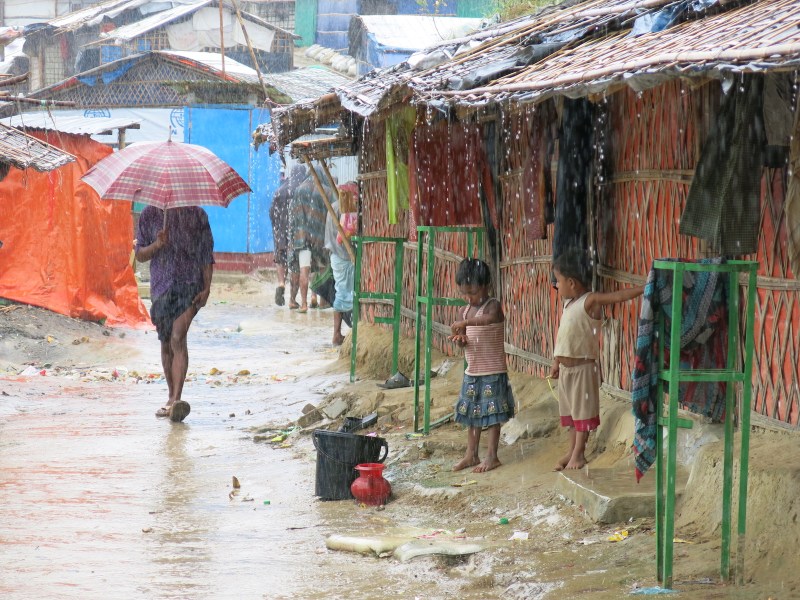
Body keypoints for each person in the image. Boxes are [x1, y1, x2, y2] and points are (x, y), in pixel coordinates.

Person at [550, 249, 643, 470]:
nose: (557, 285)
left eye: (559, 281)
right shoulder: (567, 304)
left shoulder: (589, 301)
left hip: (583, 368)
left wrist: (644, 288)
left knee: (581, 412)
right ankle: (572, 451)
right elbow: (562, 336)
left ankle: (580, 454)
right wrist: (556, 362)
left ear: (571, 282)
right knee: (571, 415)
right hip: (566, 370)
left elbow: (617, 297)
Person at [135, 205, 214, 422]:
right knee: (165, 343)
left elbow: (207, 253)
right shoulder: (149, 215)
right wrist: (157, 244)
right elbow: (140, 254)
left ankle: (177, 400)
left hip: (190, 285)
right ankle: (170, 397)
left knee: (178, 337)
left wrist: (207, 287)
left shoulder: (197, 215)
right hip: (160, 287)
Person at [448, 258, 514, 473]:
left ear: (486, 286)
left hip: (493, 371)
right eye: (464, 294)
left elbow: (489, 319)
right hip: (473, 371)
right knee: (472, 415)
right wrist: (461, 341)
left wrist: (465, 324)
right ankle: (471, 454)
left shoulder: (492, 306)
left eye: (473, 292)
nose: (469, 298)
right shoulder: (464, 311)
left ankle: (492, 456)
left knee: (492, 416)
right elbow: (464, 340)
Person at [289, 173, 330, 312]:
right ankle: (322, 300)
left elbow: (293, 216)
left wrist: (293, 238)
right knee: (321, 269)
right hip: (319, 239)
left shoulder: (299, 189)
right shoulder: (325, 190)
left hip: (301, 239)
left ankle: (304, 304)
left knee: (304, 271)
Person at [270, 164, 307, 306]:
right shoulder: (301, 189)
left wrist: (277, 228)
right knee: (295, 265)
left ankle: (281, 283)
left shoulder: (280, 190)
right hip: (296, 233)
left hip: (281, 231)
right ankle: (293, 299)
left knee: (281, 259)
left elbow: (272, 213)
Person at [324, 184, 356, 345]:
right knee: (344, 294)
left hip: (335, 255)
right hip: (343, 256)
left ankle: (339, 333)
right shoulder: (344, 209)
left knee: (343, 292)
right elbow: (347, 232)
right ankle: (337, 334)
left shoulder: (335, 207)